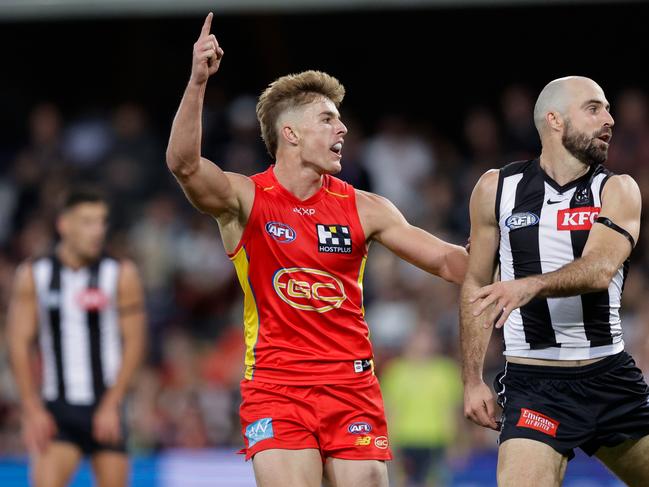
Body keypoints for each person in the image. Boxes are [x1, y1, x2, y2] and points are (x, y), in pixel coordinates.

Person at [166, 13, 468, 487]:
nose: (342, 129)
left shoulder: (366, 208)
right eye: (328, 119)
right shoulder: (246, 200)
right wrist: (197, 83)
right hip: (277, 386)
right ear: (290, 134)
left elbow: (451, 262)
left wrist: (530, 259)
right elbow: (183, 164)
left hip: (352, 388)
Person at [460, 76, 649, 486]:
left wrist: (529, 285)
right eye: (594, 109)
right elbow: (475, 285)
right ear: (555, 120)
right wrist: (472, 380)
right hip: (534, 384)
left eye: (609, 109)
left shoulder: (618, 189)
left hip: (610, 378)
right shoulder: (496, 188)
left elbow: (600, 269)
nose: (610, 120)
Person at [8, 188, 146, 487]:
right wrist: (31, 408)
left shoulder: (121, 273)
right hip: (57, 407)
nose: (97, 231)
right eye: (87, 222)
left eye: (101, 222)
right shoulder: (35, 274)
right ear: (64, 225)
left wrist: (113, 402)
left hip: (106, 402)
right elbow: (18, 342)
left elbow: (135, 342)